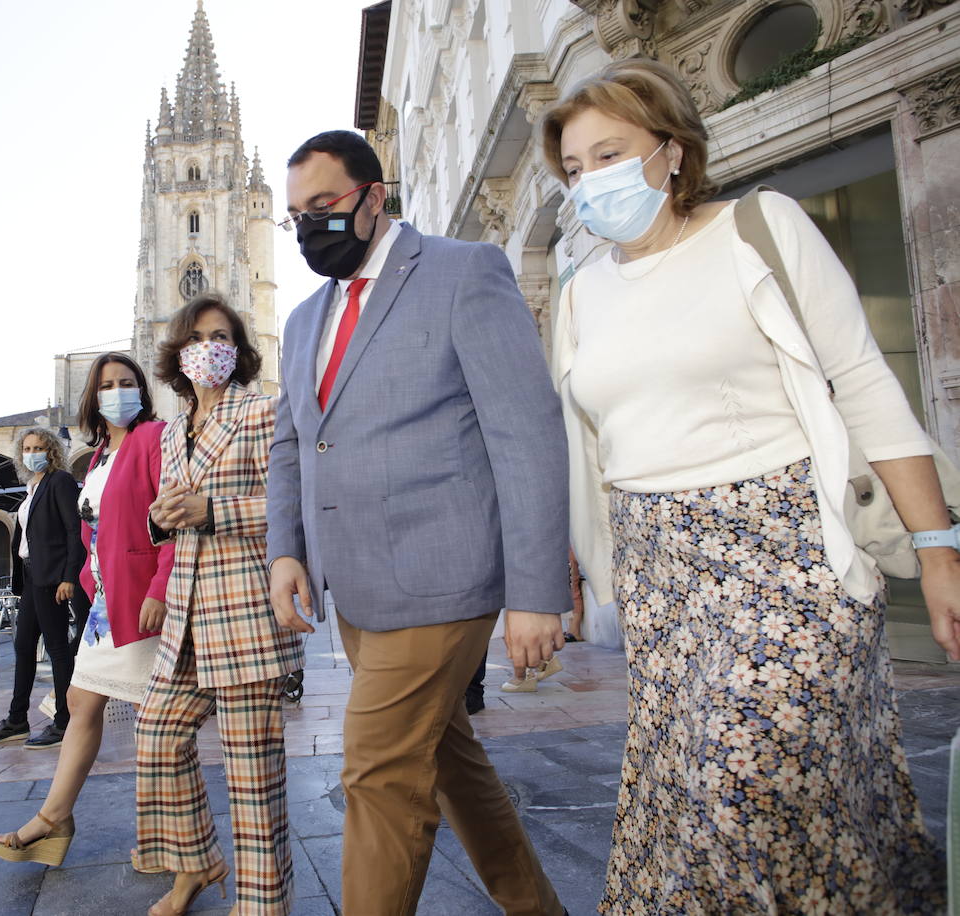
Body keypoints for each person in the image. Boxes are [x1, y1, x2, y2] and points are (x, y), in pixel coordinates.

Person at [542, 58, 947, 913]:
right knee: (700, 795)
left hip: (790, 549)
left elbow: (865, 384)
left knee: (746, 773)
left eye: (610, 154)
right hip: (664, 576)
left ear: (672, 152)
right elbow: (588, 447)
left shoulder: (761, 229)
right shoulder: (580, 296)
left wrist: (940, 547)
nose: (589, 183)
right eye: (574, 170)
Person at [267, 130, 570, 915]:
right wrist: (286, 553)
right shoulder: (304, 321)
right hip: (358, 592)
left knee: (377, 770)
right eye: (295, 215)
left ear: (374, 196)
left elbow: (525, 430)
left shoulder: (462, 272)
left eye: (323, 207)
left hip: (446, 575)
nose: (308, 227)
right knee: (449, 762)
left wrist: (538, 591)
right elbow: (294, 445)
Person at [134, 294, 304, 916]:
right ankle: (199, 859)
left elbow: (295, 507)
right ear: (179, 350)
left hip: (245, 617)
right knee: (155, 734)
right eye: (199, 336)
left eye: (223, 335)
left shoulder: (262, 412)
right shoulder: (173, 430)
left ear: (238, 349)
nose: (211, 346)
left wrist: (214, 511)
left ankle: (263, 907)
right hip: (185, 621)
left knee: (253, 779)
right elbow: (178, 516)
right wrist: (162, 517)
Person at [0, 353, 174, 866]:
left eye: (127, 383)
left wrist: (160, 586)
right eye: (107, 385)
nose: (117, 392)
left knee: (151, 719)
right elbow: (91, 528)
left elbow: (171, 519)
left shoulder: (154, 438)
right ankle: (57, 818)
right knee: (81, 701)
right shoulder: (96, 457)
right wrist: (91, 578)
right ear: (92, 399)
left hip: (141, 599)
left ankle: (148, 833)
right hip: (105, 605)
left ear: (142, 389)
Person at [0, 427, 85, 749]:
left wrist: (69, 577)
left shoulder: (60, 482)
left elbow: (74, 530)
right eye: (27, 447)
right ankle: (17, 720)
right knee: (24, 646)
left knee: (56, 649)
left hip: (51, 578)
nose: (32, 452)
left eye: (39, 447)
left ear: (51, 450)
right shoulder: (31, 487)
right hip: (31, 577)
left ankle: (65, 722)